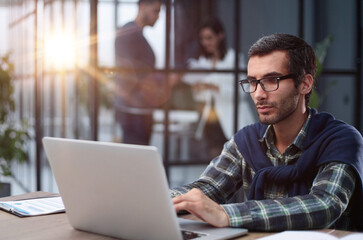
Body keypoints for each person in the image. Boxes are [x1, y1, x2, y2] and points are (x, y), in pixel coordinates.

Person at [171, 33, 363, 231]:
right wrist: (158, 199)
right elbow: (208, 188)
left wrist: (226, 214)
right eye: (253, 82)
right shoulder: (246, 141)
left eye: (272, 80)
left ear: (305, 84)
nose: (258, 94)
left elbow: (324, 205)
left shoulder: (341, 140)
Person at [182, 18, 254, 156]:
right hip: (211, 118)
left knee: (235, 160)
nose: (205, 43)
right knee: (215, 162)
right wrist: (198, 88)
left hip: (231, 117)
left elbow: (243, 92)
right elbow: (202, 97)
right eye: (202, 39)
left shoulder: (233, 58)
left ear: (220, 35)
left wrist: (215, 87)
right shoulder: (203, 61)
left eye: (209, 38)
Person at [115, 0, 176, 145]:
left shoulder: (136, 35)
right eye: (156, 11)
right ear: (143, 6)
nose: (158, 16)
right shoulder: (128, 33)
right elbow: (128, 72)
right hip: (134, 113)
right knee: (134, 161)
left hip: (139, 112)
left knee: (137, 160)